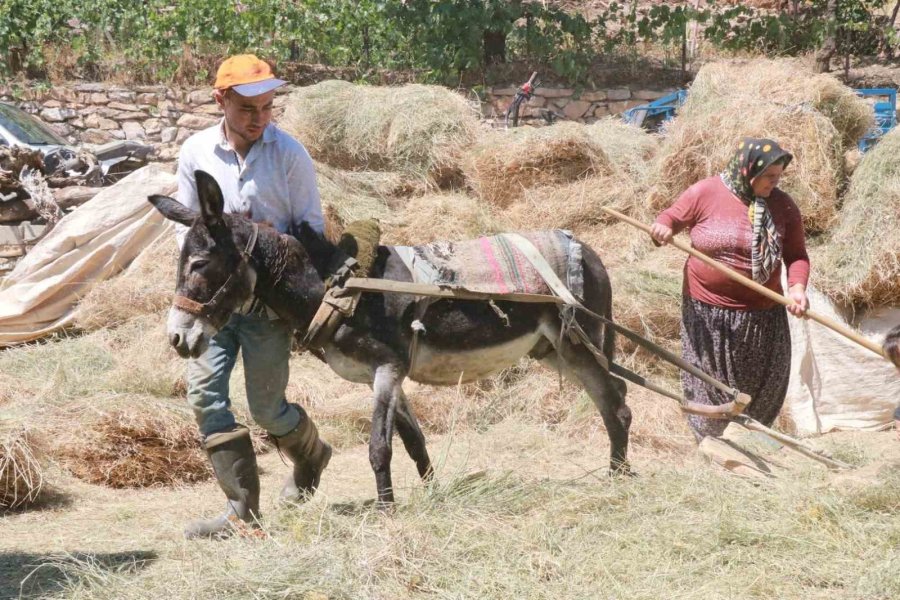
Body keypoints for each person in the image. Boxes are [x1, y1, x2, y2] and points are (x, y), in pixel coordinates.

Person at [174, 54, 331, 539]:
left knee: (267, 409)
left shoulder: (290, 155)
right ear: (220, 100)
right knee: (205, 397)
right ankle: (242, 512)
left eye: (267, 107)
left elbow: (311, 229)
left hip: (266, 306)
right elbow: (188, 234)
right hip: (214, 304)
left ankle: (312, 455)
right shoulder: (196, 153)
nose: (259, 118)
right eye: (247, 108)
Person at [650, 137, 810, 440]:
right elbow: (670, 218)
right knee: (711, 385)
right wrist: (663, 228)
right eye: (769, 177)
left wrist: (798, 289)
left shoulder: (783, 206)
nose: (775, 183)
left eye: (779, 177)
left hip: (762, 318)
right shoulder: (706, 192)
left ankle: (748, 445)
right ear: (749, 169)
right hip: (707, 314)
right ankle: (711, 446)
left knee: (757, 390)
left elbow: (797, 256)